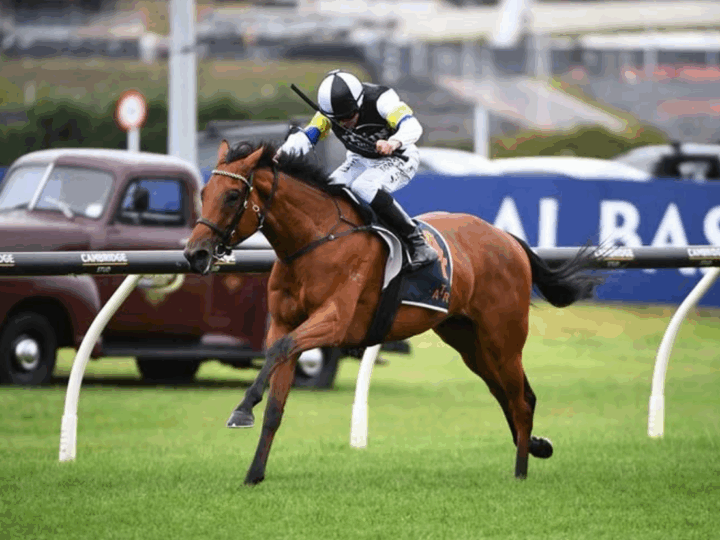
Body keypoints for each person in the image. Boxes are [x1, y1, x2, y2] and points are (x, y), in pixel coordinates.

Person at [275, 69, 438, 272]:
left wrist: (393, 142)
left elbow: (412, 125)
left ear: (359, 103)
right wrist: (281, 153)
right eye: (339, 119)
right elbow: (308, 137)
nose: (345, 123)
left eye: (349, 116)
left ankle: (418, 243)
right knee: (327, 191)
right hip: (360, 160)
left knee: (364, 186)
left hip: (399, 158)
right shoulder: (326, 114)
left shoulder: (381, 99)